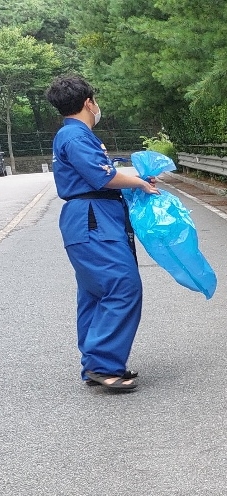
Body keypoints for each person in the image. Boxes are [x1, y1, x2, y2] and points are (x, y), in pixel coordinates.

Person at [45, 75, 159, 391]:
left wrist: (133, 183)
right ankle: (103, 364)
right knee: (122, 285)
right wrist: (139, 183)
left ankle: (95, 364)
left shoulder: (72, 135)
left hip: (90, 218)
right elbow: (103, 177)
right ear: (88, 102)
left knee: (95, 292)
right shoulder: (76, 136)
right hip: (93, 219)